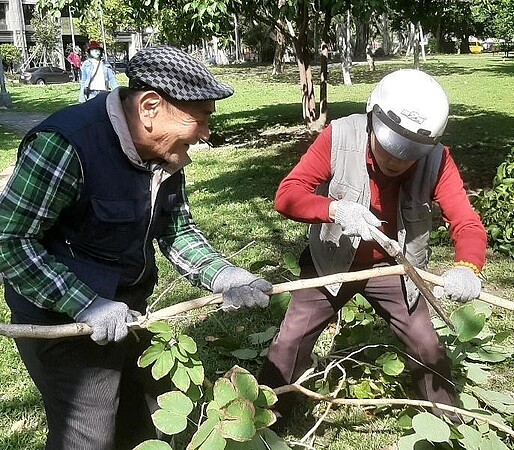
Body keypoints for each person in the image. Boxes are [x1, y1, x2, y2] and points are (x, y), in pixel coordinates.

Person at [0, 45, 272, 450]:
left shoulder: (164, 154)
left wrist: (223, 275)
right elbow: (10, 240)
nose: (205, 135)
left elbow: (176, 231)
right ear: (149, 107)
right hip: (62, 318)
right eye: (200, 120)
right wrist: (86, 303)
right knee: (89, 436)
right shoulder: (66, 145)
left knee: (146, 421)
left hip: (129, 310)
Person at [259, 69, 487, 423]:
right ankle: (265, 418)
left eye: (409, 152)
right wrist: (333, 209)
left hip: (395, 268)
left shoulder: (437, 159)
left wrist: (468, 267)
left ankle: (451, 426)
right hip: (332, 262)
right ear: (372, 117)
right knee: (290, 341)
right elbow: (287, 196)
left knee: (427, 346)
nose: (396, 160)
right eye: (390, 145)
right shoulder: (339, 136)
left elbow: (466, 222)